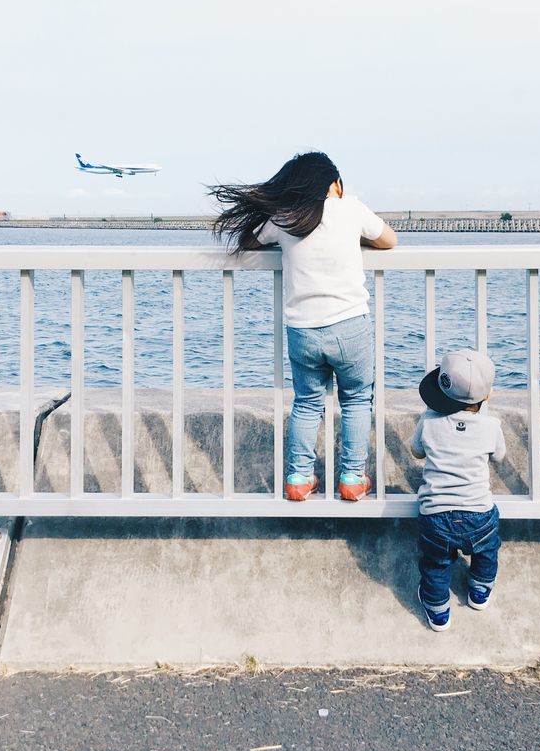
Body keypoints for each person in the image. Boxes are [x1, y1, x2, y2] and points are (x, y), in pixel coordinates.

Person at [211, 152, 398, 501]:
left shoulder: (286, 218)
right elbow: (389, 240)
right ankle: (352, 478)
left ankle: (299, 479)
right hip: (349, 326)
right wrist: (353, 240)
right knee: (357, 400)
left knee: (307, 403)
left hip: (303, 332)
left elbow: (251, 240)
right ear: (335, 184)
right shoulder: (351, 209)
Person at [408, 349, 506, 631]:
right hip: (479, 514)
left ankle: (438, 611)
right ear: (487, 396)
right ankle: (480, 590)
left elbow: (416, 452)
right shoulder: (491, 426)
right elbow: (499, 456)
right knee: (487, 551)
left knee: (436, 563)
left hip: (436, 516)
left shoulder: (429, 423)